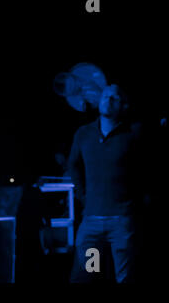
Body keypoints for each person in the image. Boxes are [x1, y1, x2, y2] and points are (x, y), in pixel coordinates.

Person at [68, 84, 149, 283]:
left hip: (122, 221)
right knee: (87, 275)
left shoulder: (133, 134)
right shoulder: (84, 133)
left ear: (124, 106)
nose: (108, 100)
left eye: (114, 97)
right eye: (105, 96)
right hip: (92, 221)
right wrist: (83, 196)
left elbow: (146, 170)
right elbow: (73, 165)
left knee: (125, 278)